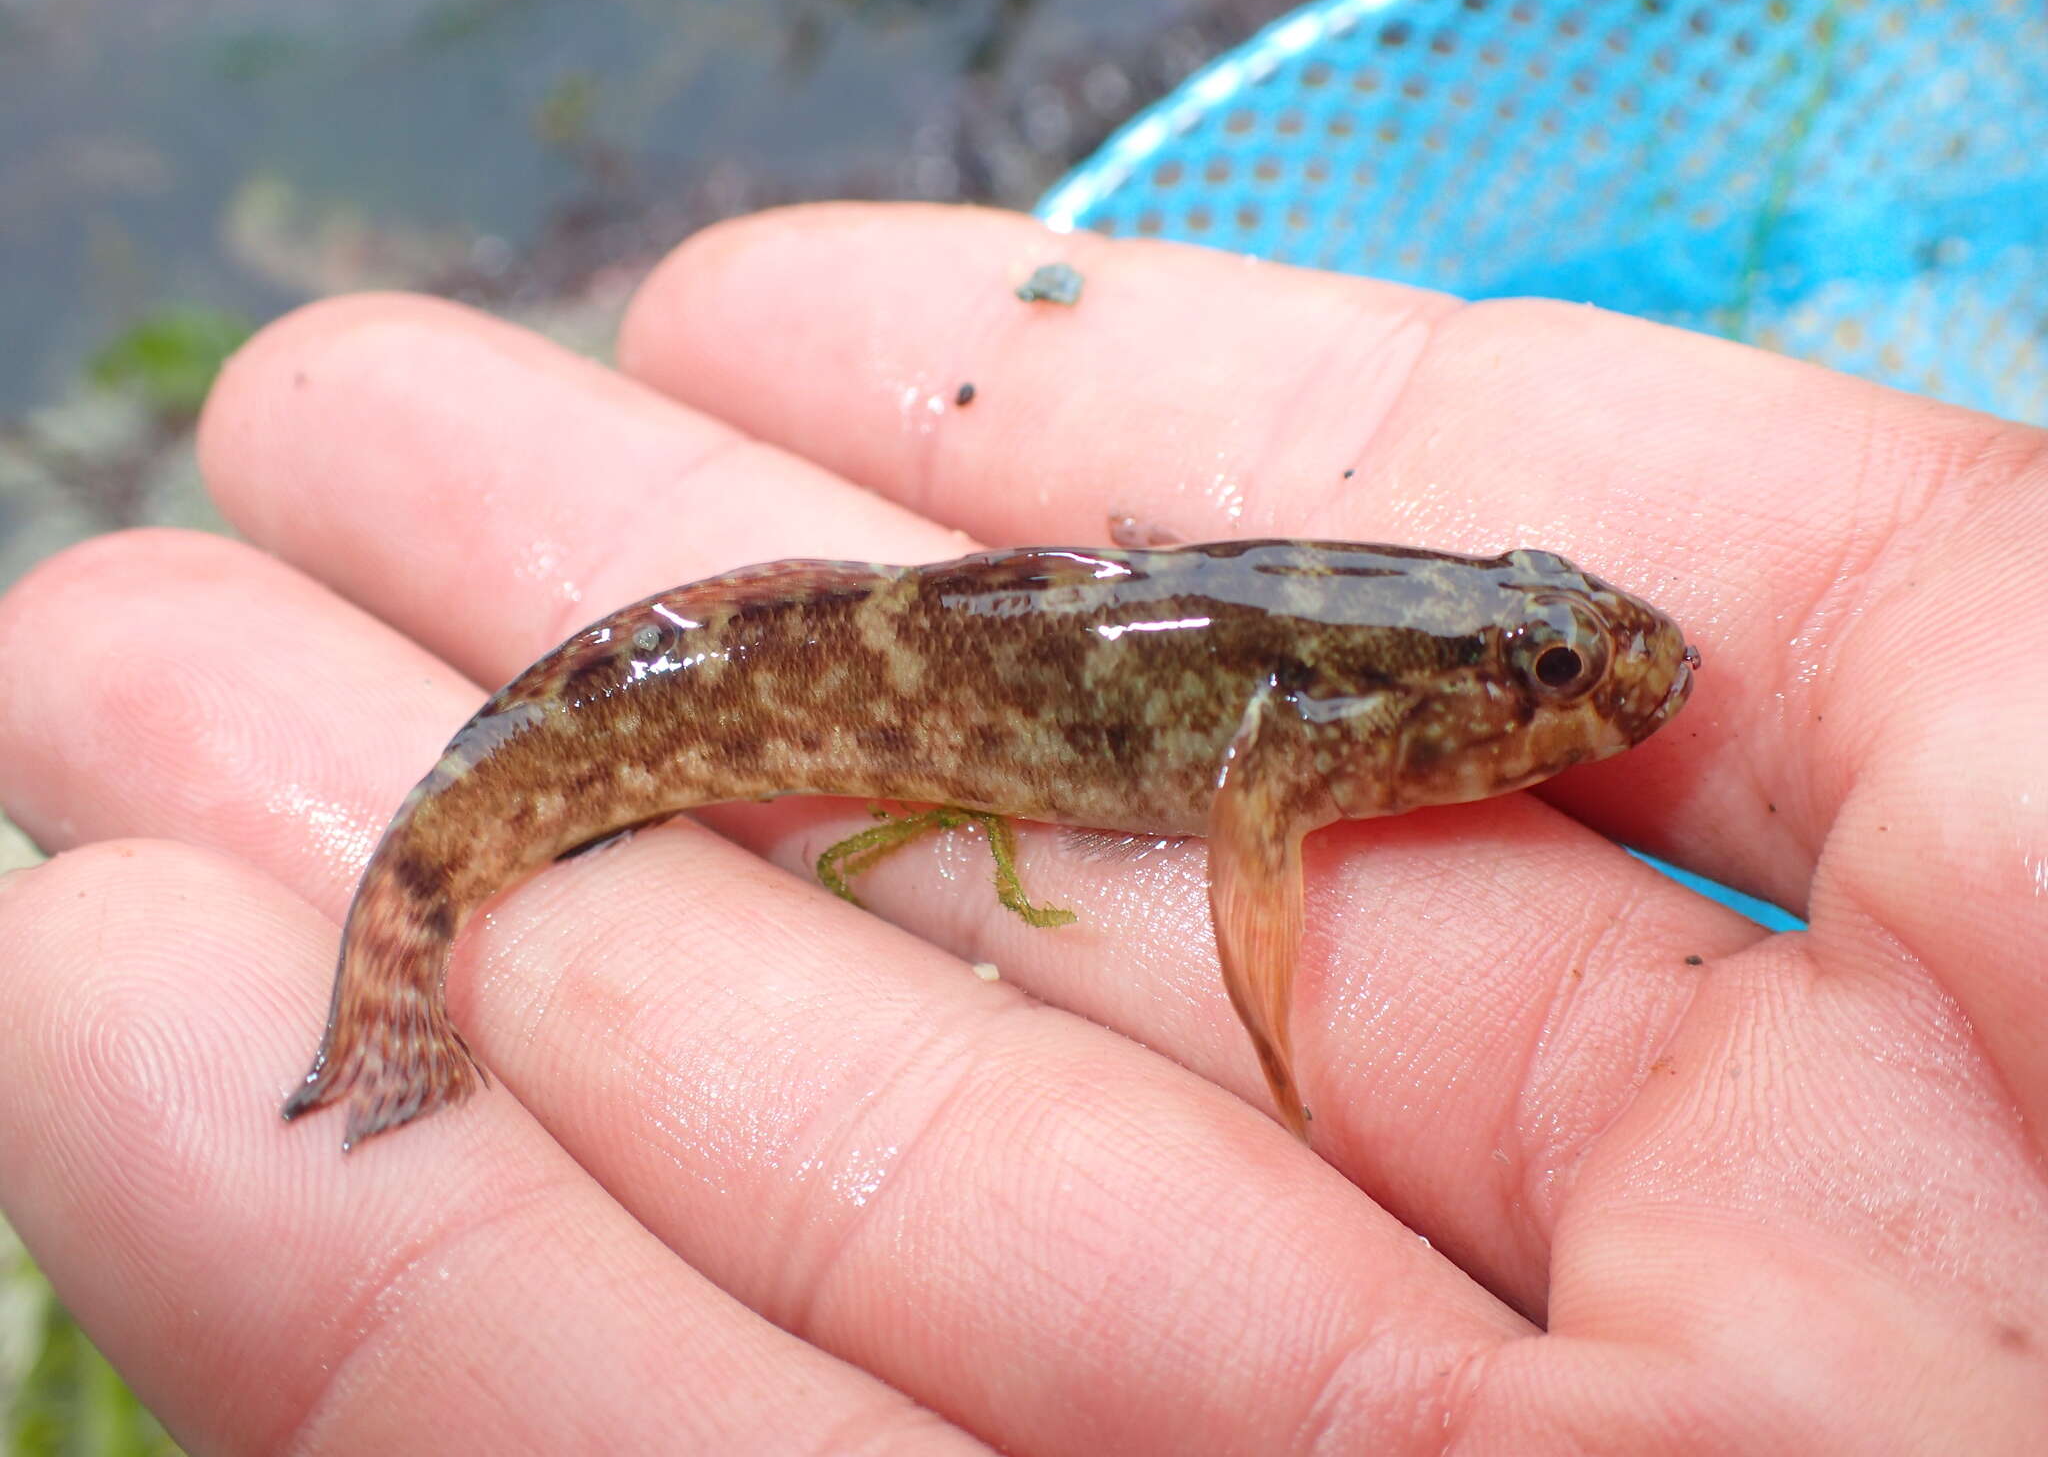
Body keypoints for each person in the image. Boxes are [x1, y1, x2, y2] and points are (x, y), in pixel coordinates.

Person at [0, 204, 2042, 1452]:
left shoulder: (1302, 698)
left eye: (1543, 648)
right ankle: (400, 976)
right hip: (701, 706)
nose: (1604, 687)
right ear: (1354, 715)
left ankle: (403, 962)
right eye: (1532, 670)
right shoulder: (1291, 728)